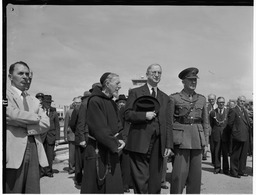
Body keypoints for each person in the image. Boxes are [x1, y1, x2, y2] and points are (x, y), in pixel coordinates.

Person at [124, 63, 173, 193]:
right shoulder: (136, 92)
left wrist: (168, 145)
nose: (157, 75)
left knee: (155, 180)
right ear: (147, 74)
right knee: (141, 180)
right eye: (154, 72)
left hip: (158, 143)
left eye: (159, 73)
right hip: (140, 141)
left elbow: (168, 123)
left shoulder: (165, 98)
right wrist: (144, 115)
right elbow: (127, 114)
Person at [5, 61, 50, 193]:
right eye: (20, 73)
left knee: (32, 189)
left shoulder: (34, 100)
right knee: (13, 189)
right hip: (12, 149)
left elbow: (46, 123)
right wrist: (35, 118)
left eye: (27, 74)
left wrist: (24, 125)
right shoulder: (4, 95)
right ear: (10, 77)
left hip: (34, 147)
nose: (25, 77)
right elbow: (10, 114)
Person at [80, 72, 125, 193]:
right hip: (98, 151)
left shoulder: (112, 102)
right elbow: (100, 130)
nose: (119, 86)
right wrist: (116, 144)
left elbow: (118, 124)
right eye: (117, 83)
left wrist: (120, 139)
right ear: (107, 83)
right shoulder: (94, 101)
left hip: (112, 149)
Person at [170, 67, 209, 194]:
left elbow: (206, 122)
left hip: (197, 139)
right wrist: (169, 144)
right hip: (181, 140)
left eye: (195, 80)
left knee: (195, 177)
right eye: (190, 80)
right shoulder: (174, 98)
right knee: (178, 176)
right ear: (183, 81)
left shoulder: (202, 99)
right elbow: (169, 123)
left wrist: (206, 143)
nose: (193, 82)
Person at [227, 96, 252, 178]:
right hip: (237, 136)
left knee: (243, 155)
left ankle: (241, 171)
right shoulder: (233, 110)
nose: (242, 102)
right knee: (235, 155)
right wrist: (235, 132)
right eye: (241, 101)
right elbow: (230, 124)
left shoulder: (244, 111)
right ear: (237, 101)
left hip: (245, 136)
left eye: (243, 101)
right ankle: (234, 172)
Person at [116, 94, 133, 193]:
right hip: (123, 139)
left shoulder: (125, 110)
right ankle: (124, 184)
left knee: (127, 163)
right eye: (120, 102)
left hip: (127, 139)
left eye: (123, 102)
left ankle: (127, 183)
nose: (121, 104)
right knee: (124, 163)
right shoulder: (122, 110)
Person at [209, 97, 230, 175]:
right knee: (217, 151)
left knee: (225, 152)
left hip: (225, 134)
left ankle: (226, 169)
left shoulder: (228, 112)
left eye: (223, 102)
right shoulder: (212, 112)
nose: (221, 104)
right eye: (220, 102)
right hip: (216, 134)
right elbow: (211, 124)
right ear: (217, 103)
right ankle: (217, 168)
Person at [40, 95, 60, 177]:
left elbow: (57, 126)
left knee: (50, 155)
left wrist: (57, 139)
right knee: (41, 155)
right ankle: (41, 171)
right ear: (43, 103)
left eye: (49, 102)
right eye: (47, 102)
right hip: (41, 137)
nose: (48, 104)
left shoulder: (54, 112)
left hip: (51, 137)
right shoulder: (39, 111)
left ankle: (48, 171)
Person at [74, 91, 91, 186]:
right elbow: (75, 124)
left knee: (81, 161)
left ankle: (81, 180)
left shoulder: (84, 105)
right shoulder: (84, 106)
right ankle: (79, 180)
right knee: (81, 161)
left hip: (83, 136)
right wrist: (81, 138)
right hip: (83, 137)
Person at [63, 99, 79, 175]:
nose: (77, 104)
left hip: (79, 135)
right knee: (72, 153)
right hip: (72, 135)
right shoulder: (69, 112)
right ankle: (71, 168)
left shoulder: (81, 111)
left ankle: (77, 167)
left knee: (77, 153)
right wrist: (65, 136)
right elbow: (66, 124)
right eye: (76, 103)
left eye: (79, 103)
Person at [204, 94, 216, 161]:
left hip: (215, 129)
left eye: (212, 99)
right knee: (205, 143)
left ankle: (214, 159)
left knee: (213, 146)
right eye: (209, 100)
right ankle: (204, 155)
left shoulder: (217, 107)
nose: (211, 101)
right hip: (207, 128)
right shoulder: (206, 107)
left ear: (215, 99)